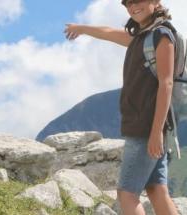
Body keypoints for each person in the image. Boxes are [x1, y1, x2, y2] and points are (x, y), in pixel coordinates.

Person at [64, 0, 179, 214]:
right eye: (128, 3)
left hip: (146, 126)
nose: (132, 6)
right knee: (156, 190)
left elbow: (167, 83)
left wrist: (155, 132)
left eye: (138, 1)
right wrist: (80, 28)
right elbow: (107, 32)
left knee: (127, 193)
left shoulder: (161, 35)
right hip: (147, 125)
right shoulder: (142, 37)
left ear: (155, 2)